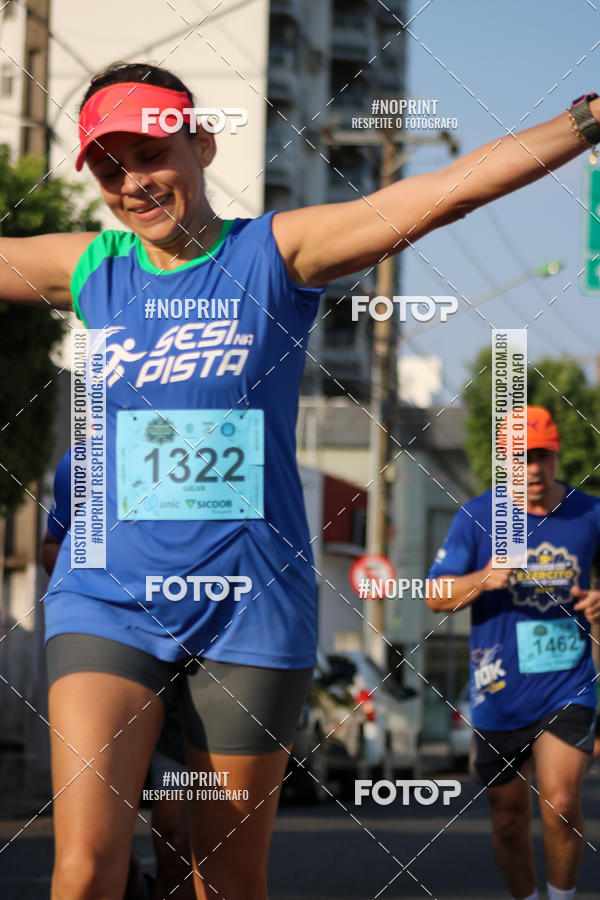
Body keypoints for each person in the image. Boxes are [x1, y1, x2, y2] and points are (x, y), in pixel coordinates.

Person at [3, 60, 600, 900]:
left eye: (149, 154)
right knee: (84, 867)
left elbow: (446, 194)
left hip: (253, 605)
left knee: (225, 881)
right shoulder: (93, 267)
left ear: (202, 140)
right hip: (110, 595)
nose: (132, 182)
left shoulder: (274, 252)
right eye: (109, 168)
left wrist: (586, 121)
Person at [427, 406, 600, 900]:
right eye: (521, 459)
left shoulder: (589, 514)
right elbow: (436, 594)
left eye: (542, 457)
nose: (533, 470)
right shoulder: (477, 517)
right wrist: (483, 578)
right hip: (499, 690)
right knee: (507, 818)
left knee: (561, 803)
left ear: (556, 455)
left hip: (569, 682)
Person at [41, 449, 195, 900]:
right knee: (97, 853)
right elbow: (55, 544)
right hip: (109, 657)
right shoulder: (85, 459)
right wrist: (97, 589)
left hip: (194, 671)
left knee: (179, 836)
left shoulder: (224, 451)